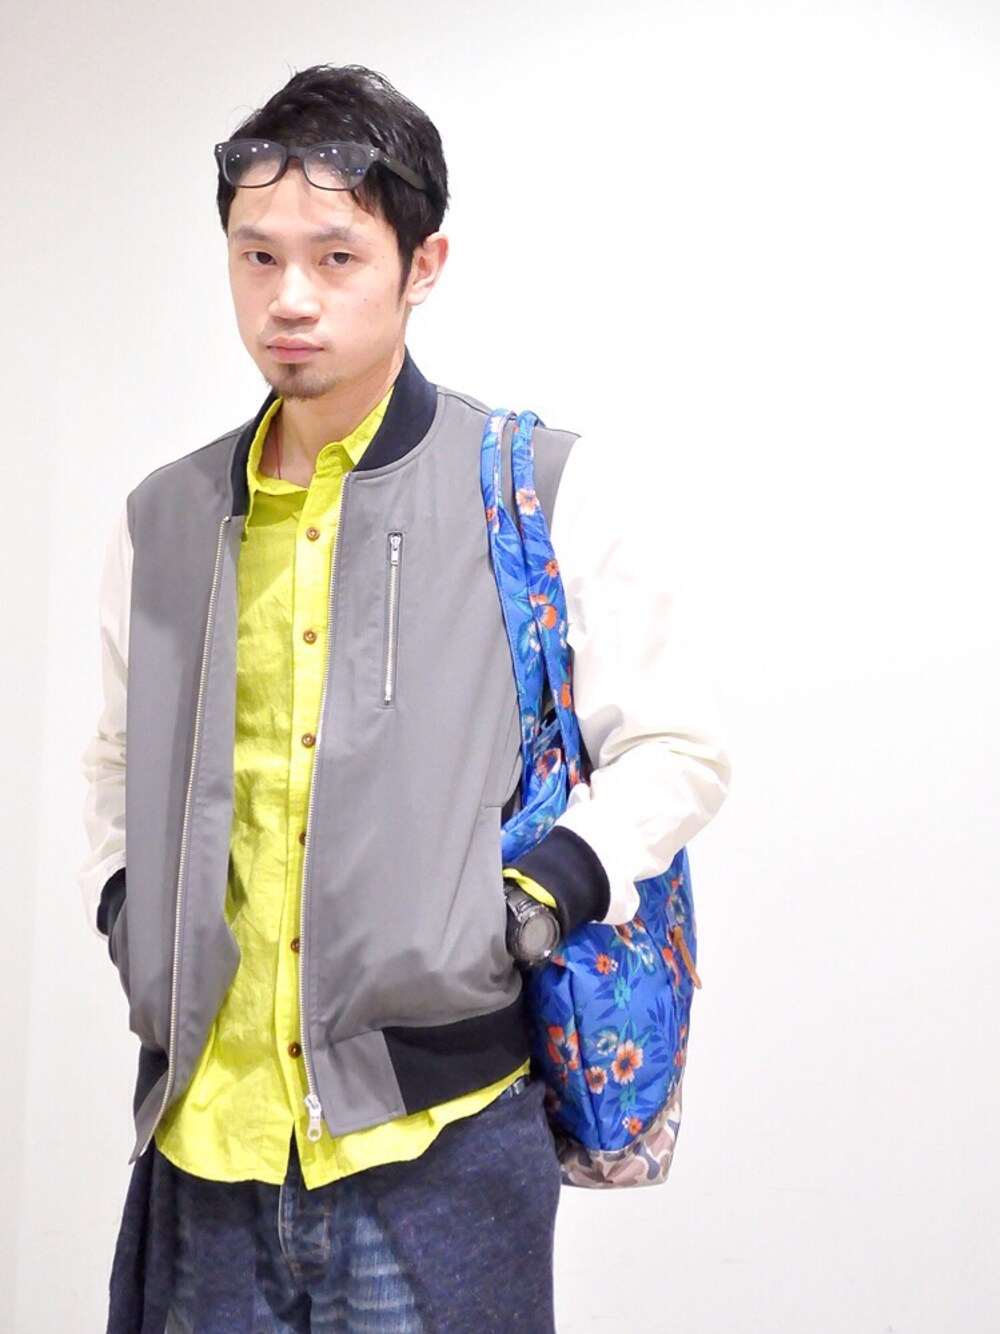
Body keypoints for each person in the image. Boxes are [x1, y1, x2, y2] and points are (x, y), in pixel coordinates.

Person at [80, 63, 730, 1334]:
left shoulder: (538, 489)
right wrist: (125, 906)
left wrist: (536, 894)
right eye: (257, 257)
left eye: (336, 256)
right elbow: (116, 755)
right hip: (202, 1147)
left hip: (435, 1150)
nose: (290, 297)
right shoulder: (161, 518)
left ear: (421, 263)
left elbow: (676, 745)